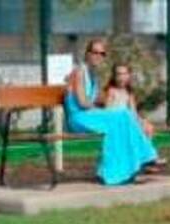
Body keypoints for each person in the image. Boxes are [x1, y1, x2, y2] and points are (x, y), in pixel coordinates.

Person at [63, 39, 160, 186]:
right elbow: (82, 103)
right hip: (78, 118)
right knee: (121, 116)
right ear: (87, 54)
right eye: (94, 52)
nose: (98, 56)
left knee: (121, 119)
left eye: (102, 53)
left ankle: (122, 171)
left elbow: (95, 100)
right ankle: (145, 156)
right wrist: (98, 108)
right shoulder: (79, 72)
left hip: (89, 116)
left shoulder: (93, 75)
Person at [103, 63, 155, 139]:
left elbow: (133, 112)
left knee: (148, 127)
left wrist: (141, 121)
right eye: (119, 74)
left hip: (127, 120)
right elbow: (107, 112)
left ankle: (142, 148)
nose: (121, 77)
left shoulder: (129, 92)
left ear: (128, 76)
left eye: (124, 74)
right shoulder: (112, 91)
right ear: (114, 76)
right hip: (116, 121)